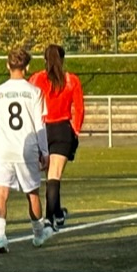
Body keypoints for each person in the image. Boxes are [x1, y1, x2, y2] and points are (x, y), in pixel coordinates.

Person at [0, 45, 53, 252]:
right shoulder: (35, 92)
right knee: (32, 192)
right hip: (27, 148)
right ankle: (38, 234)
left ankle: (0, 238)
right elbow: (39, 124)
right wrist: (45, 152)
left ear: (8, 65)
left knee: (1, 192)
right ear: (26, 67)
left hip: (4, 148)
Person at [30, 43, 85, 229]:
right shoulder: (71, 80)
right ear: (62, 60)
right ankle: (49, 217)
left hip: (42, 128)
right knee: (55, 175)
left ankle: (57, 213)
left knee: (50, 176)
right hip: (62, 128)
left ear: (45, 60)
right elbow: (79, 108)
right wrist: (75, 131)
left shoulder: (37, 78)